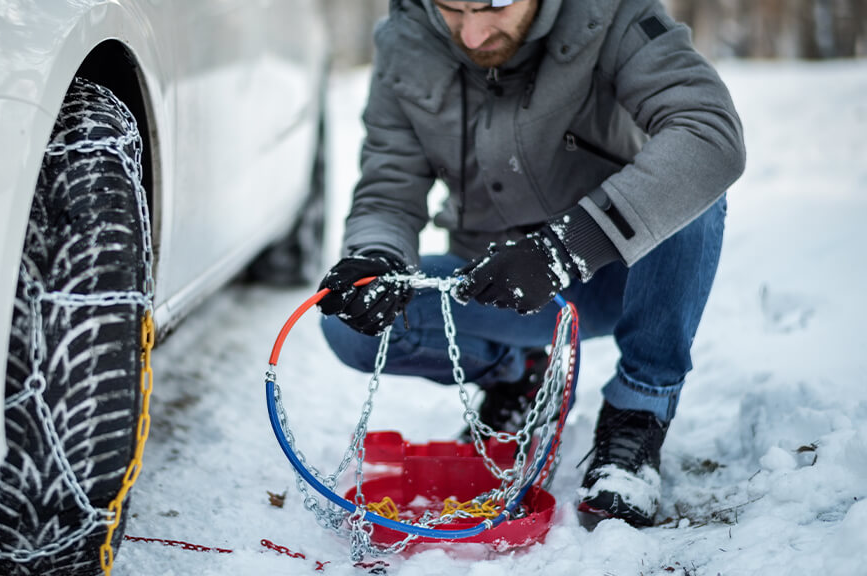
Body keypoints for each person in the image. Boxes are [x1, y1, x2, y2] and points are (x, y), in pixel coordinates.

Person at [317, 0, 744, 529]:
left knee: (693, 194)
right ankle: (518, 374)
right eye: (451, 9)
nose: (472, 36)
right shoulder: (405, 41)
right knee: (351, 329)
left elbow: (708, 133)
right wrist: (375, 258)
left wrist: (565, 249)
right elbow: (387, 188)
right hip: (492, 283)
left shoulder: (612, 15)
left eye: (493, 5)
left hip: (614, 271)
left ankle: (639, 412)